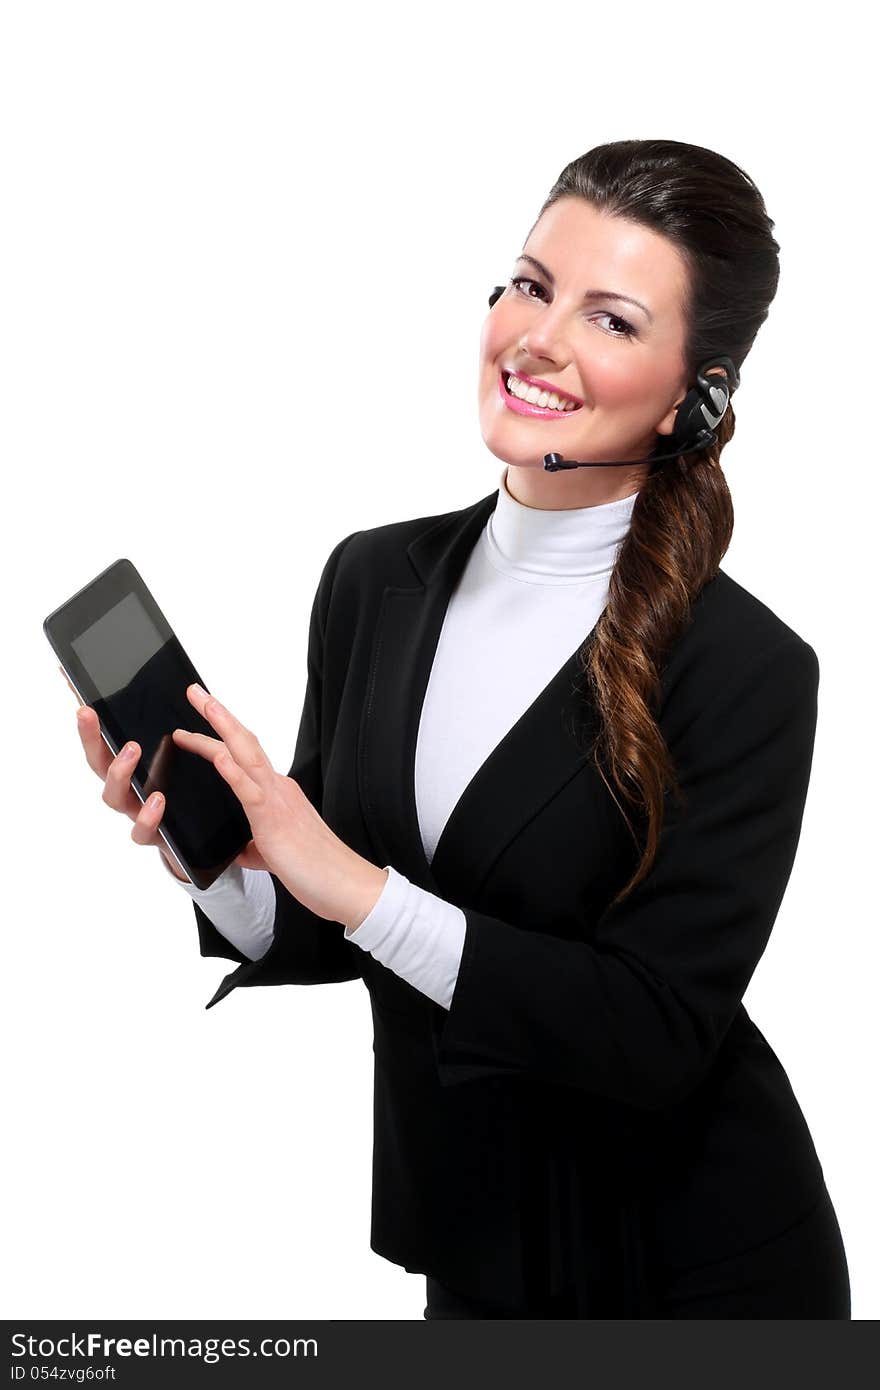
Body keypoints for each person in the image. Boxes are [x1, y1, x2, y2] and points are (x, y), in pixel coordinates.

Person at [72, 139, 851, 1319]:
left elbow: (652, 1030)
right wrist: (224, 860)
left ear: (699, 393)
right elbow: (341, 920)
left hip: (694, 1260)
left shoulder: (746, 670)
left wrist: (353, 885)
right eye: (531, 286)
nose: (537, 339)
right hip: (476, 1245)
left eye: (612, 318)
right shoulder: (374, 580)